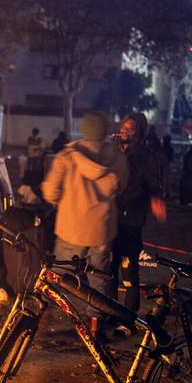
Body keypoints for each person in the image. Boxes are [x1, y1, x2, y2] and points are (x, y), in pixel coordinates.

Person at [41, 111, 128, 299]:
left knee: (59, 277)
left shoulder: (66, 157)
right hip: (102, 231)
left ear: (84, 129)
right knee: (98, 280)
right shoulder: (117, 158)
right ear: (104, 131)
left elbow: (50, 192)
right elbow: (121, 187)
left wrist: (61, 199)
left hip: (71, 229)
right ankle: (94, 324)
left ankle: (59, 319)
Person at [112, 112, 166, 321]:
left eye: (130, 129)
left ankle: (128, 318)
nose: (124, 132)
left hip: (131, 221)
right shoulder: (112, 152)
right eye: (123, 128)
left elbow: (154, 185)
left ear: (139, 133)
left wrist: (155, 199)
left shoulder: (147, 157)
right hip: (109, 220)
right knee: (107, 270)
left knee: (129, 270)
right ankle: (109, 313)